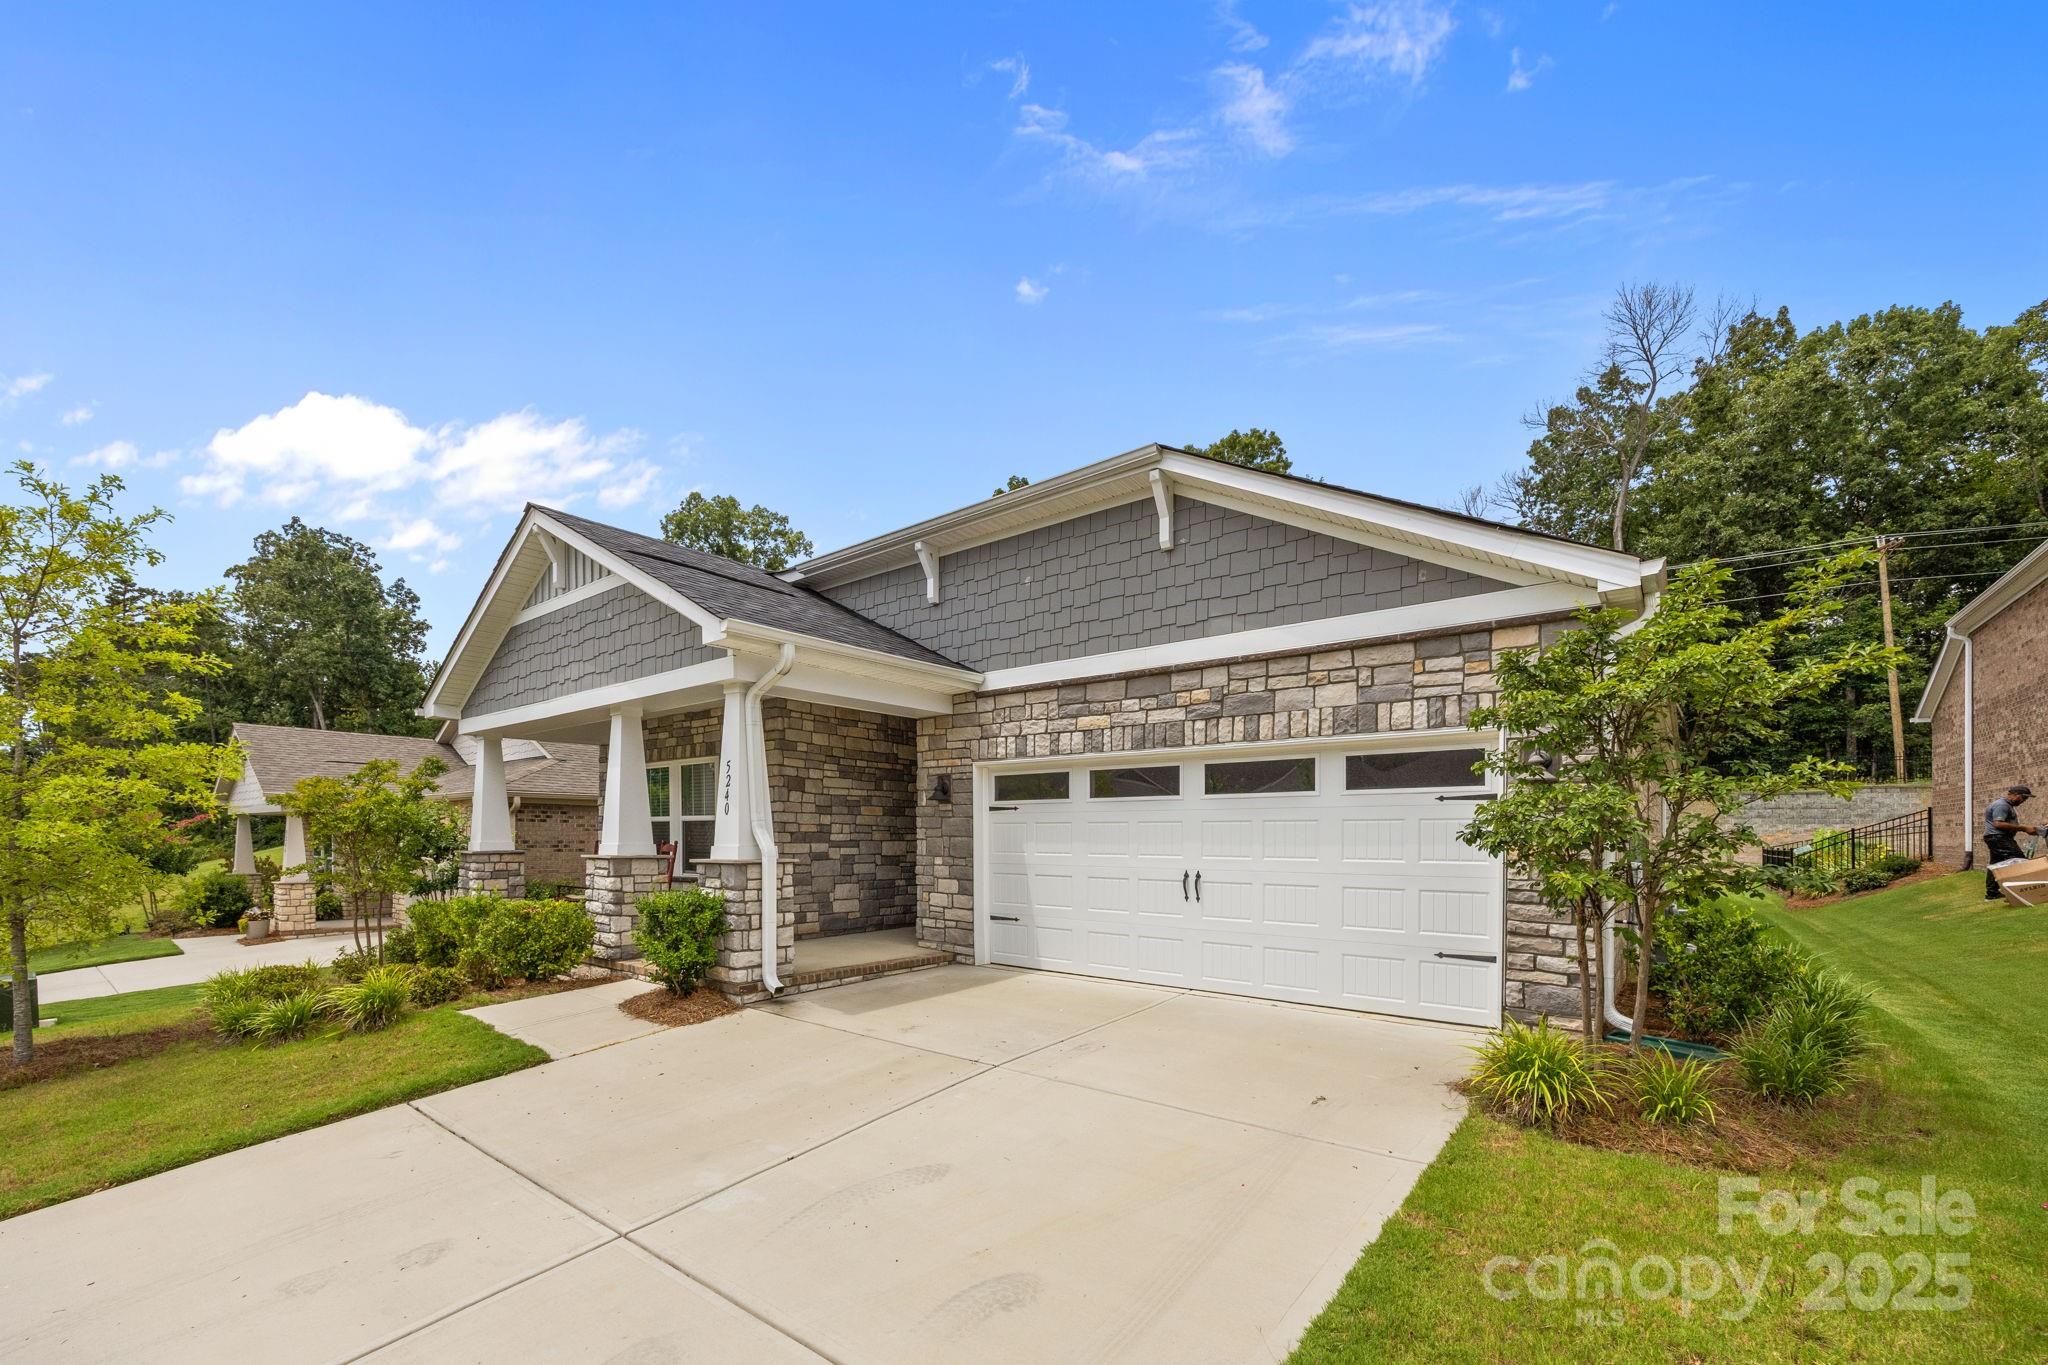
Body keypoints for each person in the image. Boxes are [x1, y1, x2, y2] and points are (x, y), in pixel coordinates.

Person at [1983, 783, 2040, 901]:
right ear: (2014, 795)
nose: (2024, 801)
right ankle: (2020, 893)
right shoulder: (2002, 805)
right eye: (2023, 797)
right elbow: (1998, 823)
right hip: (1999, 838)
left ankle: (1992, 893)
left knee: (1995, 865)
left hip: (1995, 838)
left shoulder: (2005, 805)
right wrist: (2023, 828)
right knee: (2018, 861)